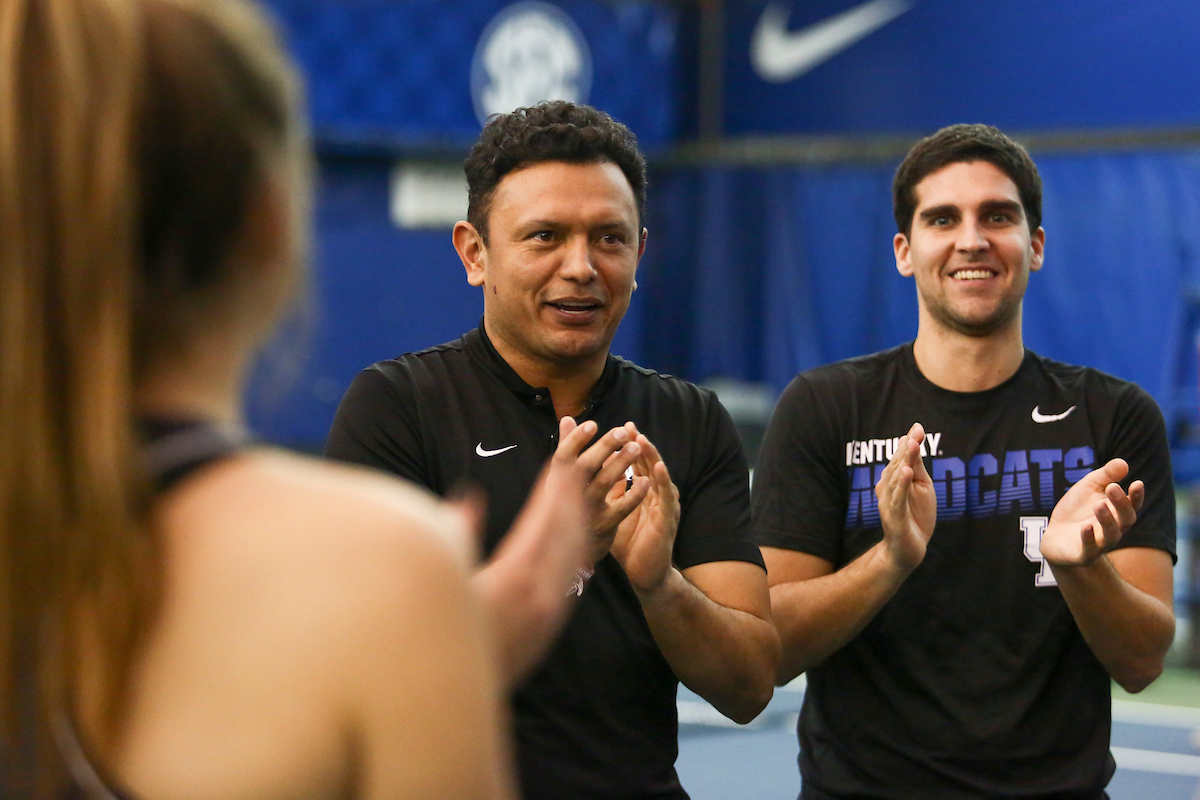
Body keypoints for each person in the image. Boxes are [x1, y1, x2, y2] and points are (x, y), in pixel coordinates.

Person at [0, 1, 596, 798]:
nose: (580, 267)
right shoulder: (379, 572)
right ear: (272, 227)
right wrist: (417, 641)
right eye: (546, 237)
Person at [325, 100, 780, 799]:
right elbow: (377, 678)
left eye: (609, 238)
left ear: (639, 252)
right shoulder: (398, 408)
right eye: (544, 236)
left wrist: (661, 586)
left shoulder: (687, 419)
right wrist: (563, 550)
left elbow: (749, 686)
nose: (581, 267)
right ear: (475, 253)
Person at [753, 124, 1176, 799]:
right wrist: (889, 559)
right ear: (904, 250)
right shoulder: (826, 408)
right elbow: (766, 649)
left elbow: (1145, 660)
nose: (971, 239)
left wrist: (1080, 568)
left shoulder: (1114, 417)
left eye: (998, 217)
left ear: (1035, 246)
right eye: (942, 218)